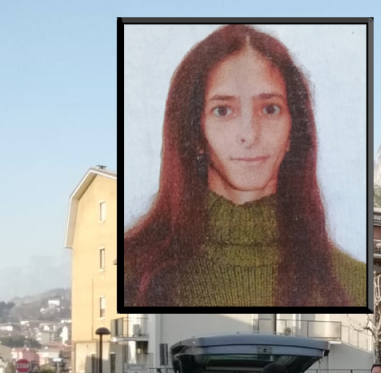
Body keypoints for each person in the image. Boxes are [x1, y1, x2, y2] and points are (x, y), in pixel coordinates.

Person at [123, 24, 366, 307]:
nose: (249, 135)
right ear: (195, 132)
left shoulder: (353, 285)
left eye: (270, 109)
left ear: (294, 129)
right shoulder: (132, 275)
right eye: (223, 110)